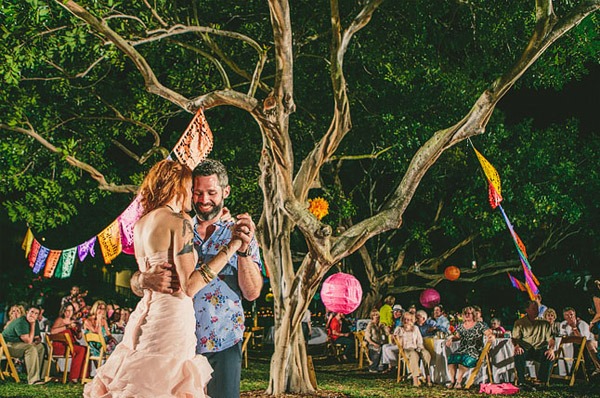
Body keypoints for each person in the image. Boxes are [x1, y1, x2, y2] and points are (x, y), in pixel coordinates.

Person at [84, 159, 250, 397]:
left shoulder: (141, 224)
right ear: (177, 186)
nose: (193, 195)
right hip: (172, 319)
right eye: (190, 188)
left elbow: (148, 271)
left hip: (147, 316)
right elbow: (190, 286)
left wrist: (141, 280)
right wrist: (232, 246)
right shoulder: (178, 221)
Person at [128, 159, 263, 398]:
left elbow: (252, 292)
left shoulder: (241, 231)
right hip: (178, 342)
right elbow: (139, 277)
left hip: (221, 340)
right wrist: (141, 280)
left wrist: (240, 249)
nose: (203, 199)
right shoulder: (177, 223)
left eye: (211, 192)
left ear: (225, 192)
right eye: (197, 192)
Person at [511, 300, 555, 389]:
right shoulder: (519, 323)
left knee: (549, 356)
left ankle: (542, 381)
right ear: (527, 310)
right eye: (534, 309)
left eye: (537, 309)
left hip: (539, 349)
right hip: (526, 348)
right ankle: (522, 381)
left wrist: (551, 349)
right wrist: (517, 346)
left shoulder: (544, 323)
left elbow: (551, 339)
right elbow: (515, 338)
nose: (537, 311)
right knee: (518, 353)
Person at [446, 306, 490, 389]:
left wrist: (491, 336)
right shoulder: (460, 326)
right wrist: (451, 338)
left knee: (463, 358)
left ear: (473, 314)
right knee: (452, 358)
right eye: (465, 313)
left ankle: (459, 381)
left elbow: (488, 333)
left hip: (474, 350)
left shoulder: (480, 325)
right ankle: (452, 381)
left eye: (468, 313)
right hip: (462, 349)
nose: (466, 315)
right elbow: (457, 336)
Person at [1, 305, 47, 385]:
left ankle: (39, 377)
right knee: (30, 348)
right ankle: (33, 380)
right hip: (7, 346)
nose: (33, 315)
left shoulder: (35, 322)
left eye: (36, 313)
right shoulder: (21, 322)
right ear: (27, 312)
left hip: (20, 344)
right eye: (32, 312)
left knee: (41, 347)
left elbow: (37, 338)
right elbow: (29, 341)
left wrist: (36, 341)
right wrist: (32, 325)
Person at [392, 311, 432, 386]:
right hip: (406, 349)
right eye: (405, 319)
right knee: (414, 355)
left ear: (412, 320)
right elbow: (396, 342)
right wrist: (400, 334)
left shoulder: (415, 328)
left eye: (408, 319)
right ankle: (415, 380)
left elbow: (420, 341)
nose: (406, 321)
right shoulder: (399, 329)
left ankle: (428, 377)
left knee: (426, 354)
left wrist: (420, 348)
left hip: (416, 347)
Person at [49, 303, 86, 383]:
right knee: (81, 350)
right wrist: (67, 327)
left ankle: (82, 376)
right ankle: (73, 377)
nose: (69, 313)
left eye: (71, 310)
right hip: (61, 346)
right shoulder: (60, 320)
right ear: (63, 311)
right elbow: (52, 332)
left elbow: (79, 337)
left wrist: (79, 330)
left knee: (85, 349)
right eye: (67, 310)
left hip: (71, 345)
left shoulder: (73, 321)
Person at [558, 306, 600, 374]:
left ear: (575, 315)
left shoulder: (582, 324)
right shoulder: (563, 324)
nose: (569, 317)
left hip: (587, 346)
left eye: (571, 314)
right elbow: (563, 336)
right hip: (570, 345)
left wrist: (574, 328)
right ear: (564, 316)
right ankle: (564, 371)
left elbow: (583, 340)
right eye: (567, 315)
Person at [364, 309, 389, 373]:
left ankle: (383, 366)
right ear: (372, 317)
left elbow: (387, 333)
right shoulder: (370, 325)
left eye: (377, 315)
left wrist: (387, 329)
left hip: (381, 342)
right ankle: (373, 367)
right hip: (373, 343)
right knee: (378, 349)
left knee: (386, 348)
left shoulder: (381, 325)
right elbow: (367, 337)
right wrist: (374, 344)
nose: (376, 316)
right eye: (374, 315)